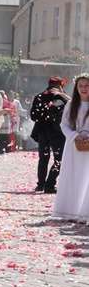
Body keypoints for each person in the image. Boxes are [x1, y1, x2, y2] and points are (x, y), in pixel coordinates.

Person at [52, 74, 89, 221]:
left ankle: (84, 211)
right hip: (74, 147)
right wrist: (74, 136)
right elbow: (64, 124)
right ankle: (71, 210)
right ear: (76, 88)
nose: (83, 89)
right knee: (73, 177)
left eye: (86, 85)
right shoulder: (71, 104)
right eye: (80, 86)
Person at [30, 76, 70, 194]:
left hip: (42, 132)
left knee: (43, 158)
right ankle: (50, 184)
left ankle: (41, 184)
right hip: (57, 133)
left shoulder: (39, 96)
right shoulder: (63, 98)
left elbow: (33, 116)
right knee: (60, 159)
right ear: (60, 85)